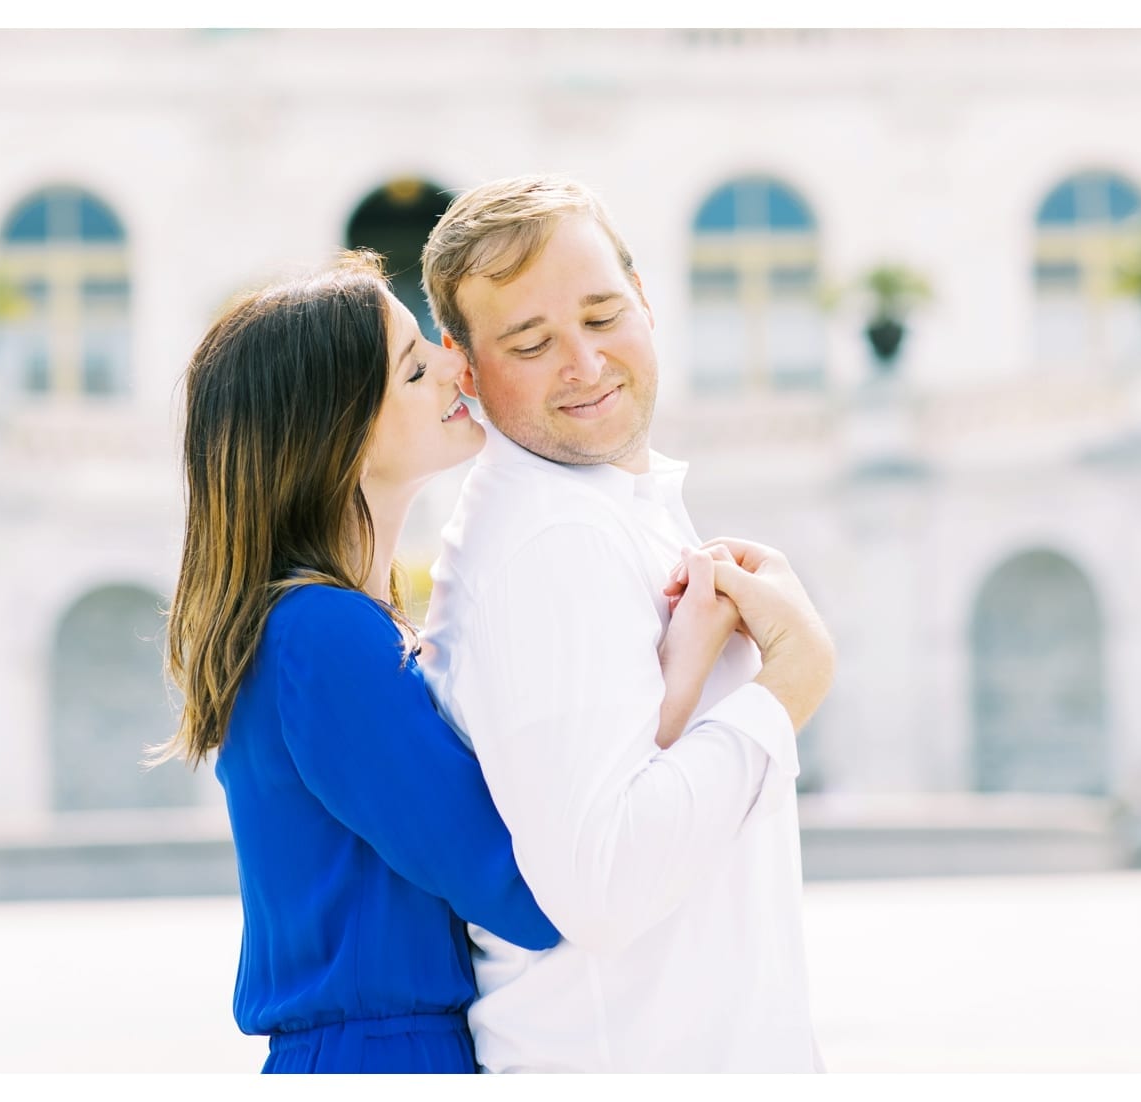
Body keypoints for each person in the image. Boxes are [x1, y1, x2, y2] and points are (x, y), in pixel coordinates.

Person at [153, 250, 749, 1073]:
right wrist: (690, 668)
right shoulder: (319, 635)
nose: (453, 364)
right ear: (339, 431)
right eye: (414, 367)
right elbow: (527, 892)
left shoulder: (324, 626)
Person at [419, 175, 837, 1072]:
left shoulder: (598, 505)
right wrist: (788, 689)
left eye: (603, 316)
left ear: (646, 299)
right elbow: (602, 887)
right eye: (531, 342)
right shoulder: (552, 536)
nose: (584, 363)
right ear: (464, 364)